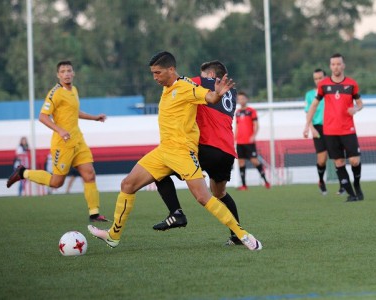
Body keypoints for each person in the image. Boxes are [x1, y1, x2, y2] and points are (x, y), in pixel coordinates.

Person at [87, 51, 262, 251]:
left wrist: (217, 94)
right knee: (127, 184)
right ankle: (113, 235)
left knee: (204, 197)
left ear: (171, 70)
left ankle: (243, 235)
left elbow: (209, 97)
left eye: (158, 73)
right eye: (153, 73)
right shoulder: (167, 87)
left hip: (182, 152)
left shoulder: (187, 86)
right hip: (164, 151)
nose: (155, 77)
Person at [151, 60, 243, 245]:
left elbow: (177, 81)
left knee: (159, 170)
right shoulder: (231, 93)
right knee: (220, 194)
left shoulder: (203, 83)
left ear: (211, 76)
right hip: (226, 152)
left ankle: (176, 213)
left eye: (202, 75)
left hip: (207, 146)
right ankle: (236, 235)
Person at [7, 60, 109, 221]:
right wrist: (60, 130)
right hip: (63, 144)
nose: (67, 73)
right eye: (63, 71)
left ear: (73, 73)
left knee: (89, 175)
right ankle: (23, 172)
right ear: (58, 75)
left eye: (69, 70)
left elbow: (74, 112)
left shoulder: (74, 90)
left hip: (78, 140)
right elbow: (42, 116)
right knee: (56, 183)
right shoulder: (55, 93)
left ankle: (94, 213)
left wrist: (94, 118)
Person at [303, 53, 364, 202]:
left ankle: (356, 185)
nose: (336, 66)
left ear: (343, 65)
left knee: (355, 161)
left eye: (338, 64)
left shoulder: (351, 84)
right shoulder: (324, 86)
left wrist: (355, 109)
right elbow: (314, 105)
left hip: (348, 129)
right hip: (330, 131)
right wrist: (307, 125)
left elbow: (360, 103)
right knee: (339, 162)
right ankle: (351, 194)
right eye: (333, 64)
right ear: (330, 66)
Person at [304, 68, 345, 196]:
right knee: (322, 159)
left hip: (333, 126)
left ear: (326, 78)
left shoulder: (332, 92)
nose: (318, 81)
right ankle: (321, 181)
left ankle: (343, 185)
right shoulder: (310, 95)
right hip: (318, 128)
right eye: (315, 79)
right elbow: (308, 113)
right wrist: (311, 128)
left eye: (320, 78)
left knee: (336, 158)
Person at [235, 92, 270, 190]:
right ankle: (244, 185)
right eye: (239, 99)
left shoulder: (251, 111)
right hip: (240, 142)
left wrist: (253, 136)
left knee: (254, 161)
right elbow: (237, 126)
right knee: (241, 162)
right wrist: (234, 137)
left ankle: (266, 181)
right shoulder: (237, 112)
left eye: (243, 98)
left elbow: (256, 125)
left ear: (246, 99)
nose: (241, 100)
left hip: (249, 142)